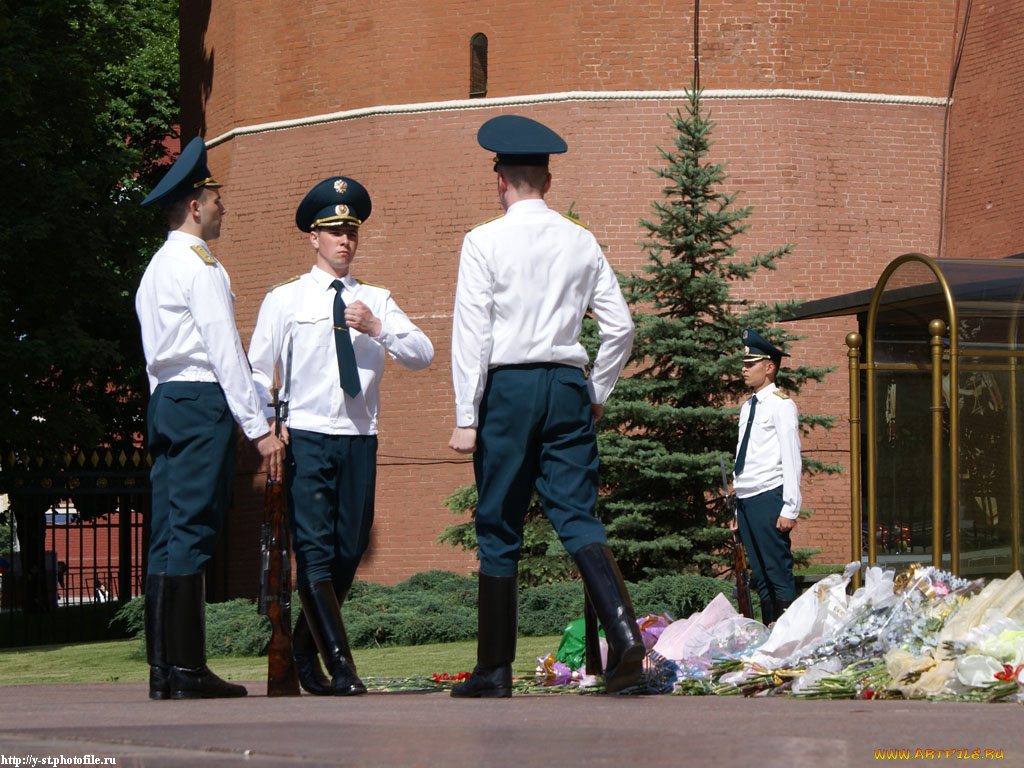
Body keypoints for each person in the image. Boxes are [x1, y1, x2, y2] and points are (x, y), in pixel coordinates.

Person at [448, 114, 643, 696]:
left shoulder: (483, 240)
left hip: (508, 389)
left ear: (499, 180)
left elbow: (471, 334)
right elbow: (622, 328)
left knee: (499, 524)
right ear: (548, 182)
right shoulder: (580, 239)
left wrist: (466, 414)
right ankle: (627, 641)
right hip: (565, 384)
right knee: (578, 514)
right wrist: (597, 392)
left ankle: (495, 669)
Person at [249, 176, 434, 696]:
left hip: (358, 436)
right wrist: (271, 424)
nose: (344, 241)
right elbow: (258, 371)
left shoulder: (376, 299)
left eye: (351, 231)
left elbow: (423, 354)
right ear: (314, 237)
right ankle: (341, 666)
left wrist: (379, 328)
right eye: (333, 231)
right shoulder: (284, 299)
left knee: (349, 547)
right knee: (313, 551)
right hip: (305, 435)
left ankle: (305, 652)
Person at [136, 136, 285, 700]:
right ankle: (189, 669)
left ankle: (164, 670)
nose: (223, 206)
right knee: (194, 530)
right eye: (216, 197)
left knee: (167, 535)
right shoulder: (201, 267)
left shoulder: (156, 268)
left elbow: (156, 357)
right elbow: (225, 351)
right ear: (195, 206)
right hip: (201, 403)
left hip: (168, 401)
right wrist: (259, 428)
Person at [730, 328, 802, 625]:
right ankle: (769, 635)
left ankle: (787, 639)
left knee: (777, 571)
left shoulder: (781, 405)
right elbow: (745, 457)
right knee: (759, 574)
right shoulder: (749, 406)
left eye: (751, 364)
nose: (743, 370)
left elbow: (791, 456)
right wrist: (736, 506)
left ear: (769, 367)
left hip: (768, 496)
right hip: (747, 499)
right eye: (744, 364)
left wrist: (790, 507)